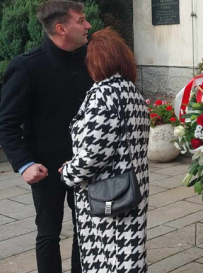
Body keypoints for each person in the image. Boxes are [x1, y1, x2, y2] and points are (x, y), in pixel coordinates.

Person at [0, 0, 93, 273]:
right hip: (46, 169)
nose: (88, 25)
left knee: (85, 229)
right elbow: (6, 124)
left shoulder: (90, 60)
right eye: (81, 20)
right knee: (49, 233)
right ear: (61, 28)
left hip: (86, 166)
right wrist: (24, 164)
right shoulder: (26, 66)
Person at [60, 28, 150, 273]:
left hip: (107, 196)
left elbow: (94, 153)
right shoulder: (132, 93)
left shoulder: (103, 94)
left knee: (108, 261)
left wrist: (68, 172)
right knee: (127, 259)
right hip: (131, 189)